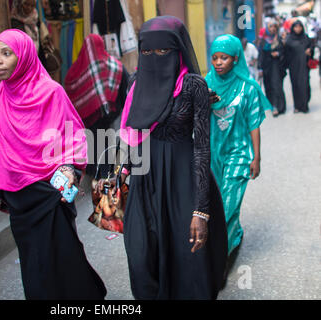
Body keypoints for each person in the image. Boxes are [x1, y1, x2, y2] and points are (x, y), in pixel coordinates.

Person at [0, 29, 106, 300]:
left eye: (6, 53)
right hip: (20, 198)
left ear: (24, 56)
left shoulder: (51, 92)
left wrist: (69, 167)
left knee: (65, 254)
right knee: (34, 264)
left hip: (52, 192)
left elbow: (74, 136)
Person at [107, 16, 228, 300]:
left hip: (183, 179)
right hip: (144, 178)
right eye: (147, 51)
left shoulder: (193, 86)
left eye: (163, 51)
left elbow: (201, 147)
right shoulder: (136, 82)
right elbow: (130, 132)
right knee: (140, 255)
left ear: (178, 50)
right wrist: (120, 173)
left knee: (187, 259)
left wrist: (201, 210)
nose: (154, 58)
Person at [206, 34, 272, 257]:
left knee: (228, 203)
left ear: (235, 58)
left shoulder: (248, 87)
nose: (218, 63)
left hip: (239, 152)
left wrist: (257, 158)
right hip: (213, 153)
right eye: (214, 58)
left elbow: (254, 123)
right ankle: (233, 234)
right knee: (217, 202)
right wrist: (203, 102)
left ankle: (220, 256)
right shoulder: (205, 85)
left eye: (224, 58)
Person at [64, 34, 129, 177]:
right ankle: (109, 180)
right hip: (113, 120)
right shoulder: (116, 66)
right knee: (110, 152)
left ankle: (96, 179)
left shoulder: (73, 74)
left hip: (88, 124)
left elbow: (69, 99)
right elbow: (126, 93)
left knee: (94, 154)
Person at [257, 18, 287, 117]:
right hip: (266, 66)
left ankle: (277, 106)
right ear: (267, 28)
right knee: (268, 86)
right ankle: (272, 104)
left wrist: (278, 53)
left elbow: (283, 52)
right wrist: (260, 68)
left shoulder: (278, 39)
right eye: (271, 26)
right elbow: (260, 54)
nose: (273, 28)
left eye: (274, 26)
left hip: (276, 66)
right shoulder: (263, 40)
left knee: (276, 85)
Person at [285, 20, 314, 114]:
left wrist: (310, 50)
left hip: (304, 66)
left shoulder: (305, 37)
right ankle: (297, 106)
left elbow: (311, 46)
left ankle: (304, 105)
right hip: (294, 66)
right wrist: (303, 51)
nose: (298, 29)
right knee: (296, 85)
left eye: (300, 27)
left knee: (305, 85)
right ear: (293, 28)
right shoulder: (289, 39)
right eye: (296, 27)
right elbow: (288, 51)